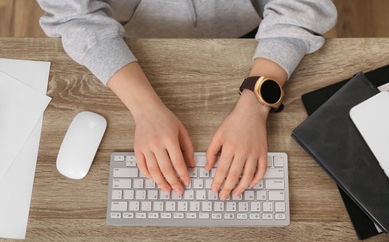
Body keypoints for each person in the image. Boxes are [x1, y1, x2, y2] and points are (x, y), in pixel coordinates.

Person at [37, 0, 337, 200]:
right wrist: (145, 109)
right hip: (123, 40)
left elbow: (303, 6)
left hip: (261, 29)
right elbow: (74, 16)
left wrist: (255, 105)